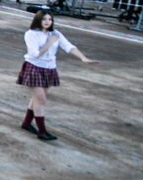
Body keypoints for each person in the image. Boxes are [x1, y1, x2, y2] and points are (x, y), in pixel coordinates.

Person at [17, 10, 98, 141]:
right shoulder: (31, 34)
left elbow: (69, 47)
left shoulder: (56, 33)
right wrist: (50, 42)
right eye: (44, 19)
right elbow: (35, 54)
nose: (47, 22)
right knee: (41, 100)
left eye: (50, 19)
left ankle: (26, 124)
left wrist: (83, 58)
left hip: (49, 69)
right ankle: (42, 131)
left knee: (37, 99)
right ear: (38, 20)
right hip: (34, 67)